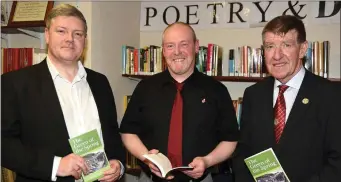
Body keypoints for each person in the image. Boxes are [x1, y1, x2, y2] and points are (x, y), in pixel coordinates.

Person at [1, 4, 125, 182]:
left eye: (77, 34)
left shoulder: (100, 82)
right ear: (47, 35)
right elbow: (4, 144)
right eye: (61, 31)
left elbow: (112, 134)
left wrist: (117, 165)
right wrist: (55, 165)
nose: (70, 39)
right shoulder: (15, 83)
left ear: (85, 39)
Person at [119, 22, 239, 182]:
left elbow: (230, 140)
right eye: (170, 46)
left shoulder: (217, 90)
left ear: (196, 46)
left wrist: (207, 161)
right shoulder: (145, 88)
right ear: (163, 50)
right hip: (150, 179)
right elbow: (128, 132)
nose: (177, 52)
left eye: (184, 44)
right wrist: (147, 158)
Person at [232, 15, 341, 182]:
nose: (277, 55)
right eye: (270, 46)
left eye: (286, 45)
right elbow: (243, 152)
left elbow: (337, 161)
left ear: (303, 49)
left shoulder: (331, 95)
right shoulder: (253, 95)